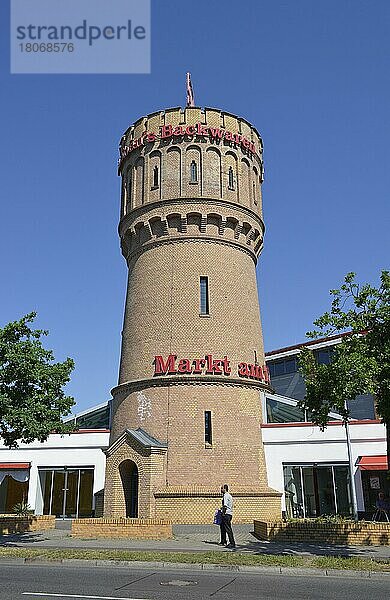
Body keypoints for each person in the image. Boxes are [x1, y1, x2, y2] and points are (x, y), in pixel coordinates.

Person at [219, 484, 236, 549]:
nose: (220, 490)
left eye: (221, 488)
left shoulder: (226, 496)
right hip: (229, 514)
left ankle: (232, 543)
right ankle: (223, 541)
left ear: (224, 489)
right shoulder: (229, 495)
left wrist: (223, 513)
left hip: (226, 514)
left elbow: (225, 506)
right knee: (222, 528)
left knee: (228, 529)